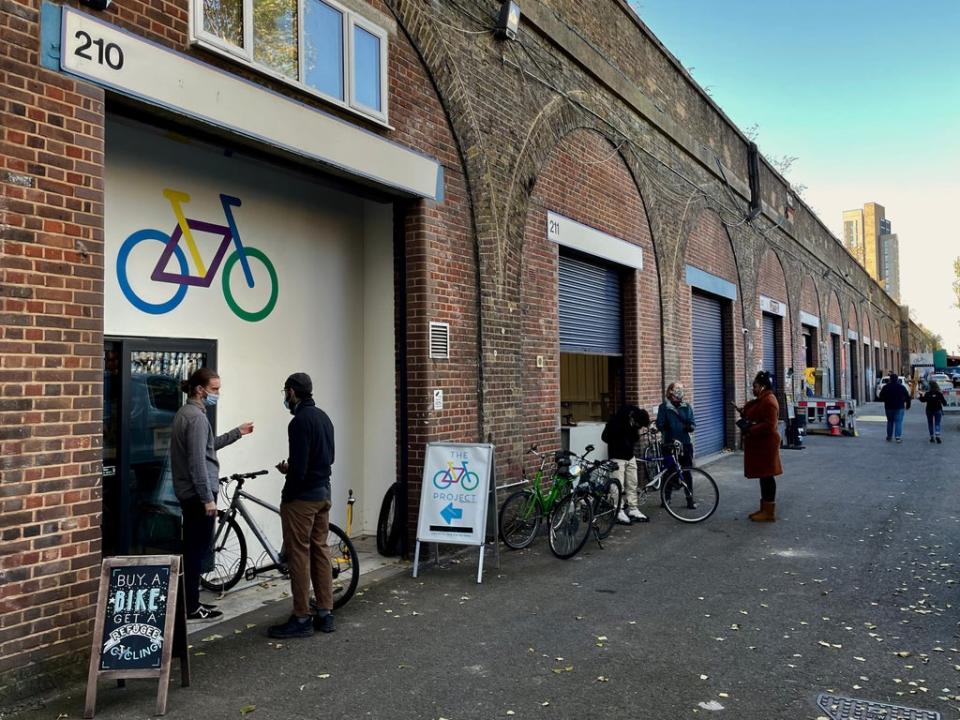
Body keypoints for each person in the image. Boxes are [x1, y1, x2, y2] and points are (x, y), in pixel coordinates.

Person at [170, 367, 254, 620]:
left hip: (191, 492)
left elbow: (207, 447)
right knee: (195, 551)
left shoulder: (188, 414)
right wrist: (207, 498)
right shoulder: (195, 418)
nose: (217, 394)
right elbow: (197, 461)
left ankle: (188, 603)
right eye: (214, 389)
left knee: (192, 549)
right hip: (198, 495)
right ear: (200, 389)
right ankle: (192, 606)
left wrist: (236, 433)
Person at [269, 372, 336, 639]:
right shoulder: (323, 417)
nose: (285, 397)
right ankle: (325, 612)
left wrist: (289, 488)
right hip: (323, 493)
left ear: (292, 392)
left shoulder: (298, 423)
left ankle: (301, 617)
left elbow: (300, 468)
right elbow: (327, 457)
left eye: (285, 391)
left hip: (302, 498)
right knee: (321, 550)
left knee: (299, 554)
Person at [736, 371, 782, 523]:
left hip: (766, 445)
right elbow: (758, 415)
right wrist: (745, 413)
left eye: (754, 386)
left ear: (762, 386)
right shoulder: (763, 399)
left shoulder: (769, 401)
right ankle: (764, 508)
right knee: (764, 477)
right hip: (761, 444)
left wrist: (750, 428)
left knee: (767, 476)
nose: (752, 389)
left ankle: (769, 512)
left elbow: (770, 425)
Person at [601, 405, 650, 524]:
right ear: (633, 419)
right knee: (617, 486)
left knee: (632, 483)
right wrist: (622, 438)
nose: (638, 428)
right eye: (638, 425)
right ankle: (618, 510)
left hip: (630, 456)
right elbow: (605, 437)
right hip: (617, 457)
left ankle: (633, 508)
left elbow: (634, 438)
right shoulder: (616, 422)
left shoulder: (634, 422)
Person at [655, 382, 696, 508]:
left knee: (687, 471)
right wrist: (665, 427)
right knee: (669, 471)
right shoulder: (664, 407)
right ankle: (666, 498)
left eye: (681, 389)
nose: (680, 391)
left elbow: (692, 424)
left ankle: (689, 499)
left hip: (685, 444)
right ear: (670, 391)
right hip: (669, 444)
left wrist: (689, 427)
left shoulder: (686, 407)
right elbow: (659, 424)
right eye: (677, 389)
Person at [878, 371, 911, 443]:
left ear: (890, 379)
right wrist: (908, 404)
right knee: (898, 422)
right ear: (897, 379)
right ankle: (898, 437)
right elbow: (907, 396)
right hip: (899, 407)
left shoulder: (886, 387)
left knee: (890, 421)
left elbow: (880, 396)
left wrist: (886, 400)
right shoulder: (901, 387)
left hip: (888, 407)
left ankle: (889, 436)